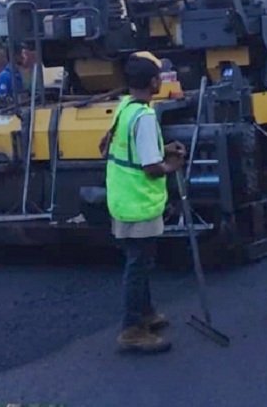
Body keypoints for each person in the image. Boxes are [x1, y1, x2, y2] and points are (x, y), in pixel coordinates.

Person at [103, 52, 186, 354]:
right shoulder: (147, 116)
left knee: (141, 260)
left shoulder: (125, 108)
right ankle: (131, 328)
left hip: (122, 198)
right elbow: (151, 166)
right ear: (154, 82)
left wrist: (163, 147)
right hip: (139, 201)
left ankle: (147, 312)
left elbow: (118, 146)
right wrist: (172, 165)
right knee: (138, 265)